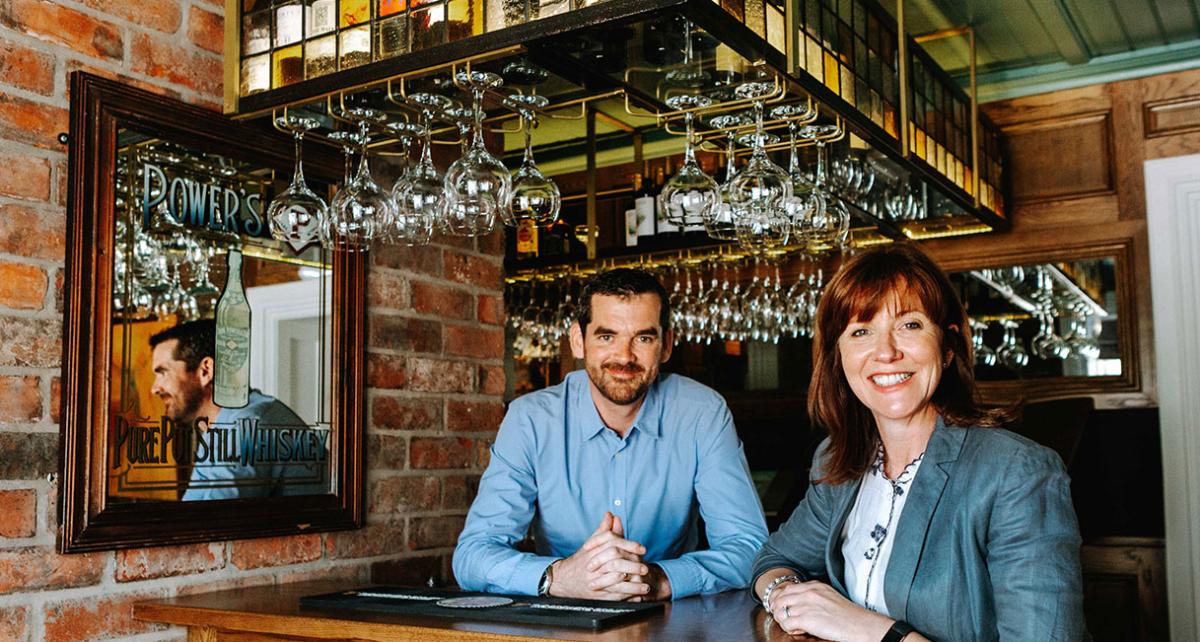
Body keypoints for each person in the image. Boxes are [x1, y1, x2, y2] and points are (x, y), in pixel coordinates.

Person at [751, 244, 1085, 641]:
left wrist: (873, 631)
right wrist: (787, 596)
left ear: (946, 348)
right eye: (861, 331)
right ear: (837, 358)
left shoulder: (1018, 472)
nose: (886, 352)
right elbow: (774, 559)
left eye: (909, 325)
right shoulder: (840, 461)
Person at [453, 268, 768, 601]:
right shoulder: (531, 419)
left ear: (666, 345)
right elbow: (472, 556)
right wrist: (559, 577)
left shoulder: (701, 413)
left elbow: (749, 547)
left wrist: (658, 580)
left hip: (671, 626)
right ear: (578, 341)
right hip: (564, 629)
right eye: (606, 336)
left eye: (643, 338)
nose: (624, 356)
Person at [149, 319, 327, 500]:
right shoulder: (218, 427)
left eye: (163, 373)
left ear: (206, 371)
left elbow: (217, 519)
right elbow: (193, 510)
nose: (154, 389)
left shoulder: (247, 423)